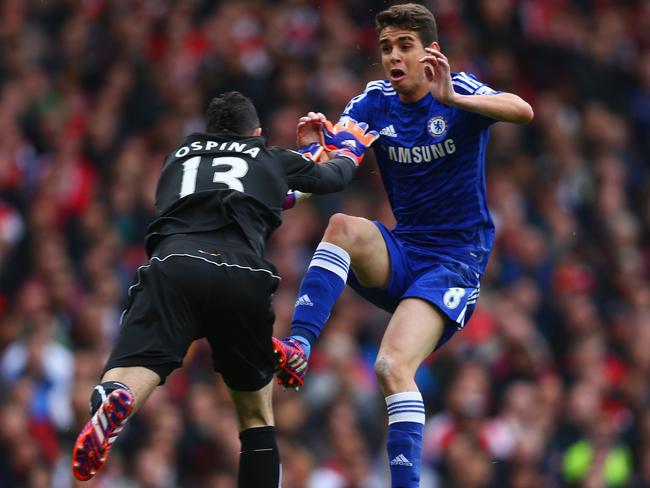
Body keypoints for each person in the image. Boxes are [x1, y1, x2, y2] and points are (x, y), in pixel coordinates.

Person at [273, 3, 534, 487]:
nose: (394, 57)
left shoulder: (458, 90)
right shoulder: (373, 101)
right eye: (387, 47)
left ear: (430, 52)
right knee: (342, 227)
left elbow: (522, 111)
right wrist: (307, 160)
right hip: (404, 249)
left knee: (392, 366)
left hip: (455, 262)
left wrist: (455, 98)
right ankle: (299, 348)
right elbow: (331, 167)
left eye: (405, 46)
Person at [71, 91, 376, 486]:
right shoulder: (267, 155)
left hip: (175, 267)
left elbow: (252, 193)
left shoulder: (176, 159)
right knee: (255, 417)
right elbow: (326, 180)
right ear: (257, 132)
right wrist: (338, 150)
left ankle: (115, 395)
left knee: (135, 366)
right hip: (243, 276)